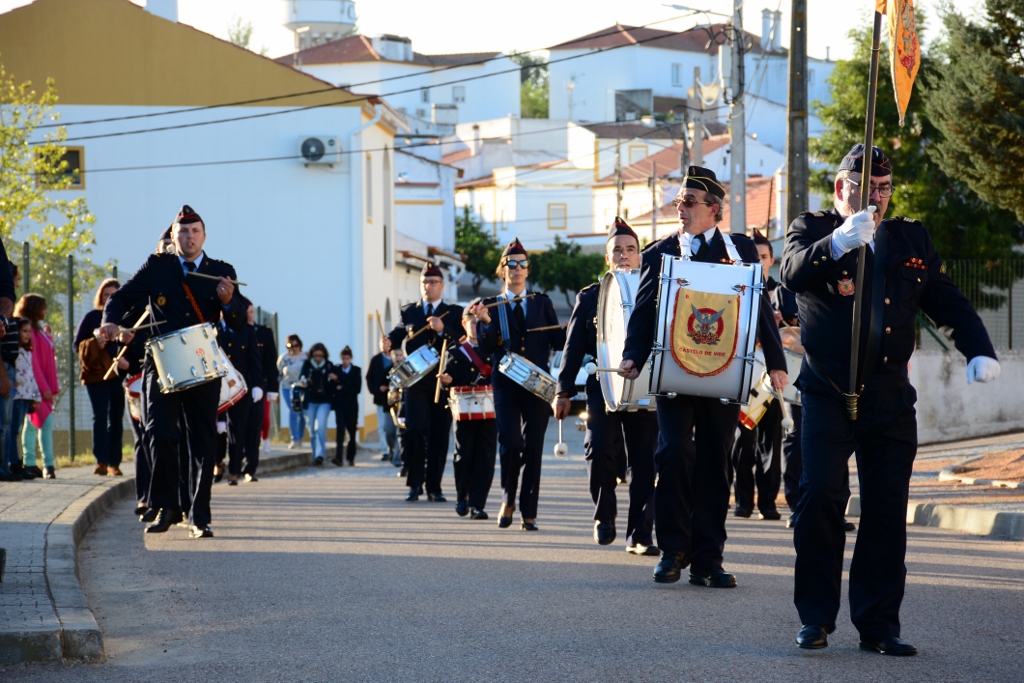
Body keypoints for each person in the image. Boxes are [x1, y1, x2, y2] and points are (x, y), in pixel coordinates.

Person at [783, 144, 1000, 655]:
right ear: (841, 189)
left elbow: (946, 299)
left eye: (883, 188)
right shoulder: (812, 229)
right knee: (819, 499)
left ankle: (878, 625)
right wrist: (836, 243)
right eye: (865, 188)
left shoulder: (909, 237)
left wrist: (978, 349)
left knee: (885, 510)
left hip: (888, 395)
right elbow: (792, 273)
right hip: (827, 390)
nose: (876, 197)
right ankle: (815, 618)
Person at [618, 166, 787, 588]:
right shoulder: (659, 253)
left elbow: (762, 307)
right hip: (675, 369)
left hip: (726, 373)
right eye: (678, 202)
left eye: (688, 202)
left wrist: (778, 361)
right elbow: (642, 312)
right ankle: (673, 549)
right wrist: (632, 357)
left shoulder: (742, 250)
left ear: (714, 210)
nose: (680, 209)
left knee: (716, 461)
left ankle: (708, 558)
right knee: (673, 452)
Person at [100, 204, 246, 539]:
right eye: (183, 231)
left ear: (204, 236)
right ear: (174, 236)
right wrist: (110, 321)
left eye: (195, 231)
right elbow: (122, 298)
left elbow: (237, 320)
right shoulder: (157, 266)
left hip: (202, 363)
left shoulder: (221, 270)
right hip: (162, 362)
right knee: (160, 433)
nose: (189, 236)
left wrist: (227, 302)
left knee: (202, 441)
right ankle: (168, 507)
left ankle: (200, 515)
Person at [554, 218, 657, 554]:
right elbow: (571, 348)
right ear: (607, 257)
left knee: (646, 461)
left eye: (630, 249)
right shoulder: (591, 296)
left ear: (640, 256)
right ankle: (604, 515)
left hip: (644, 384)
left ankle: (640, 535)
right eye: (617, 250)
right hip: (603, 384)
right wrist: (563, 390)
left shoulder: (655, 292)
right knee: (598, 448)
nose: (624, 255)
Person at [470, 239, 565, 531]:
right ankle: (507, 499)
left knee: (533, 448)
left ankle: (529, 511)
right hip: (506, 384)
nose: (518, 268)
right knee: (511, 443)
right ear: (503, 269)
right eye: (512, 263)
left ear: (528, 269)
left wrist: (578, 328)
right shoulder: (491, 306)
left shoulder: (542, 302)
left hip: (538, 385)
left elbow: (559, 343)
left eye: (523, 263)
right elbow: (486, 350)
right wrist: (484, 323)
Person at [382, 263, 464, 502]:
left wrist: (442, 330)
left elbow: (461, 341)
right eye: (424, 283)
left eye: (433, 282)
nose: (428, 287)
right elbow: (397, 334)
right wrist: (387, 341)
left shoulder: (454, 312)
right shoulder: (410, 311)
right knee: (415, 431)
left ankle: (434, 487)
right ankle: (415, 484)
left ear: (442, 285)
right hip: (415, 382)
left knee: (439, 435)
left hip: (442, 380)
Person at [731, 232, 784, 520]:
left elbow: (798, 330)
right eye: (754, 258)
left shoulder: (783, 292)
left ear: (770, 260)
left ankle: (768, 502)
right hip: (743, 374)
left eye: (763, 257)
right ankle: (743, 500)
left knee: (772, 442)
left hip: (772, 377)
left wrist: (781, 323)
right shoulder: (737, 288)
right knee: (742, 441)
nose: (758, 262)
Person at [439, 303, 496, 520]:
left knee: (486, 457)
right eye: (472, 321)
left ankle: (477, 503)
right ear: (464, 324)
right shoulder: (454, 352)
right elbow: (446, 380)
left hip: (488, 410)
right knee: (464, 455)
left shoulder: (492, 349)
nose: (476, 325)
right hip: (464, 411)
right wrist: (447, 381)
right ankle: (462, 496)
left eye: (479, 321)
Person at [75, 278, 128, 476]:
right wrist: (95, 344)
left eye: (113, 295)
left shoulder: (124, 318)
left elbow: (132, 344)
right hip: (97, 375)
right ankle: (101, 461)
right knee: (99, 416)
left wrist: (125, 358)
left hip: (118, 374)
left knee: (116, 418)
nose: (109, 299)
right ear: (100, 296)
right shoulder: (91, 317)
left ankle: (115, 462)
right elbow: (77, 345)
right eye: (106, 294)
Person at [219, 301, 263, 486]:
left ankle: (234, 471)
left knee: (237, 429)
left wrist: (257, 385)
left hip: (240, 388)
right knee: (216, 429)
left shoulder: (246, 331)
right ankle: (216, 463)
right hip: (217, 386)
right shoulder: (212, 329)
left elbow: (254, 360)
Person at [17, 294, 59, 480]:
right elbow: (34, 362)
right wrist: (43, 387)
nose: (45, 311)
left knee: (36, 424)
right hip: (36, 386)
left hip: (45, 384)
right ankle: (42, 464)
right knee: (37, 423)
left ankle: (38, 463)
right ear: (34, 309)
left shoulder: (40, 330)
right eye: (43, 307)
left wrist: (48, 336)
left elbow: (49, 353)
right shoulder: (30, 332)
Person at [297, 342, 334, 466]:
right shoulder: (307, 365)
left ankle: (320, 455)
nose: (318, 358)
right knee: (312, 430)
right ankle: (315, 456)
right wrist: (302, 382)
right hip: (310, 401)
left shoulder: (328, 366)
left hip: (324, 401)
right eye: (316, 355)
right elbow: (300, 378)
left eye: (320, 356)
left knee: (320, 427)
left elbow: (332, 385)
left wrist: (334, 379)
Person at [366, 339, 398, 465]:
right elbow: (370, 378)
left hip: (395, 398)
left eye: (386, 344)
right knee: (383, 427)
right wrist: (377, 389)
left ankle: (395, 449)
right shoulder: (376, 360)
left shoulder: (395, 359)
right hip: (381, 398)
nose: (384, 346)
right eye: (381, 344)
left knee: (395, 427)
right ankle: (385, 450)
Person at [328, 346, 361, 466]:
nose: (345, 361)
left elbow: (357, 389)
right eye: (343, 358)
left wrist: (341, 385)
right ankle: (338, 457)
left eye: (347, 358)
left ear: (351, 358)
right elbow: (333, 388)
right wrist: (344, 385)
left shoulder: (356, 370)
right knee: (340, 430)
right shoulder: (336, 369)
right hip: (340, 404)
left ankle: (350, 457)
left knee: (352, 432)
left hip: (351, 405)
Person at [252, 312, 279, 457]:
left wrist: (273, 388)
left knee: (265, 418)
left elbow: (271, 361)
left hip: (262, 382)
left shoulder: (264, 333)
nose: (249, 315)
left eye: (251, 312)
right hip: (244, 383)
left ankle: (266, 437)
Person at [277, 334, 307, 448]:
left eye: (296, 345)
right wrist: (276, 393)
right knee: (293, 410)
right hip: (287, 387)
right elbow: (278, 375)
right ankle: (294, 438)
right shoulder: (284, 358)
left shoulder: (305, 356)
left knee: (302, 412)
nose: (294, 348)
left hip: (301, 387)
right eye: (291, 346)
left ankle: (300, 437)